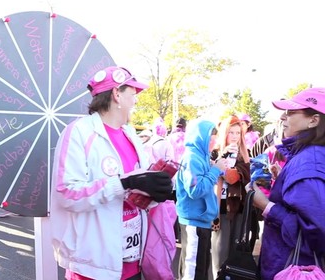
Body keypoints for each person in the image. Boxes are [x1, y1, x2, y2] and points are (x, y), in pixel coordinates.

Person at [50, 66, 173, 279]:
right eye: (133, 93)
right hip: (93, 267)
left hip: (133, 263)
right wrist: (123, 183)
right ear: (117, 94)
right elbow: (66, 193)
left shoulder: (131, 135)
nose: (136, 100)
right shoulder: (79, 132)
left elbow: (135, 193)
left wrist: (156, 192)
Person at [250, 87, 325, 279]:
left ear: (314, 120)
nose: (283, 118)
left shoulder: (308, 161)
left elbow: (318, 231)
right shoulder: (308, 156)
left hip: (293, 266)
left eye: (291, 112)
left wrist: (266, 206)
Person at [175, 118, 228, 280]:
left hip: (200, 221)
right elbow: (195, 190)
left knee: (199, 270)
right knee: (192, 272)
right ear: (201, 137)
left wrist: (216, 169)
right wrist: (215, 171)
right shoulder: (192, 158)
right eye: (211, 136)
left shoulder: (201, 156)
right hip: (193, 223)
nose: (214, 140)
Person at [210, 115, 251, 278]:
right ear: (224, 133)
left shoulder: (244, 155)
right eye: (231, 133)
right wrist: (223, 158)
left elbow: (243, 177)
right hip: (219, 206)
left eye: (238, 133)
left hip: (238, 206)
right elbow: (211, 176)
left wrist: (235, 172)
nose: (235, 137)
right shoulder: (214, 153)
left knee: (235, 250)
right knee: (219, 251)